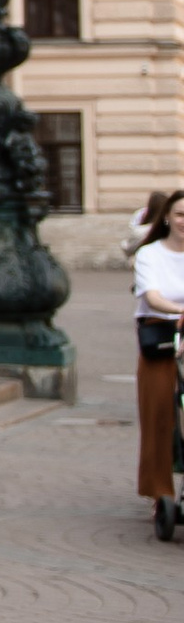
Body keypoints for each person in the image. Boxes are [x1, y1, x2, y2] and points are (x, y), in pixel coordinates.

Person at [134, 190, 184, 539]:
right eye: (180, 214)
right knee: (159, 414)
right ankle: (160, 491)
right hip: (162, 334)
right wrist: (178, 312)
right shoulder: (149, 254)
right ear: (167, 217)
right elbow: (151, 296)